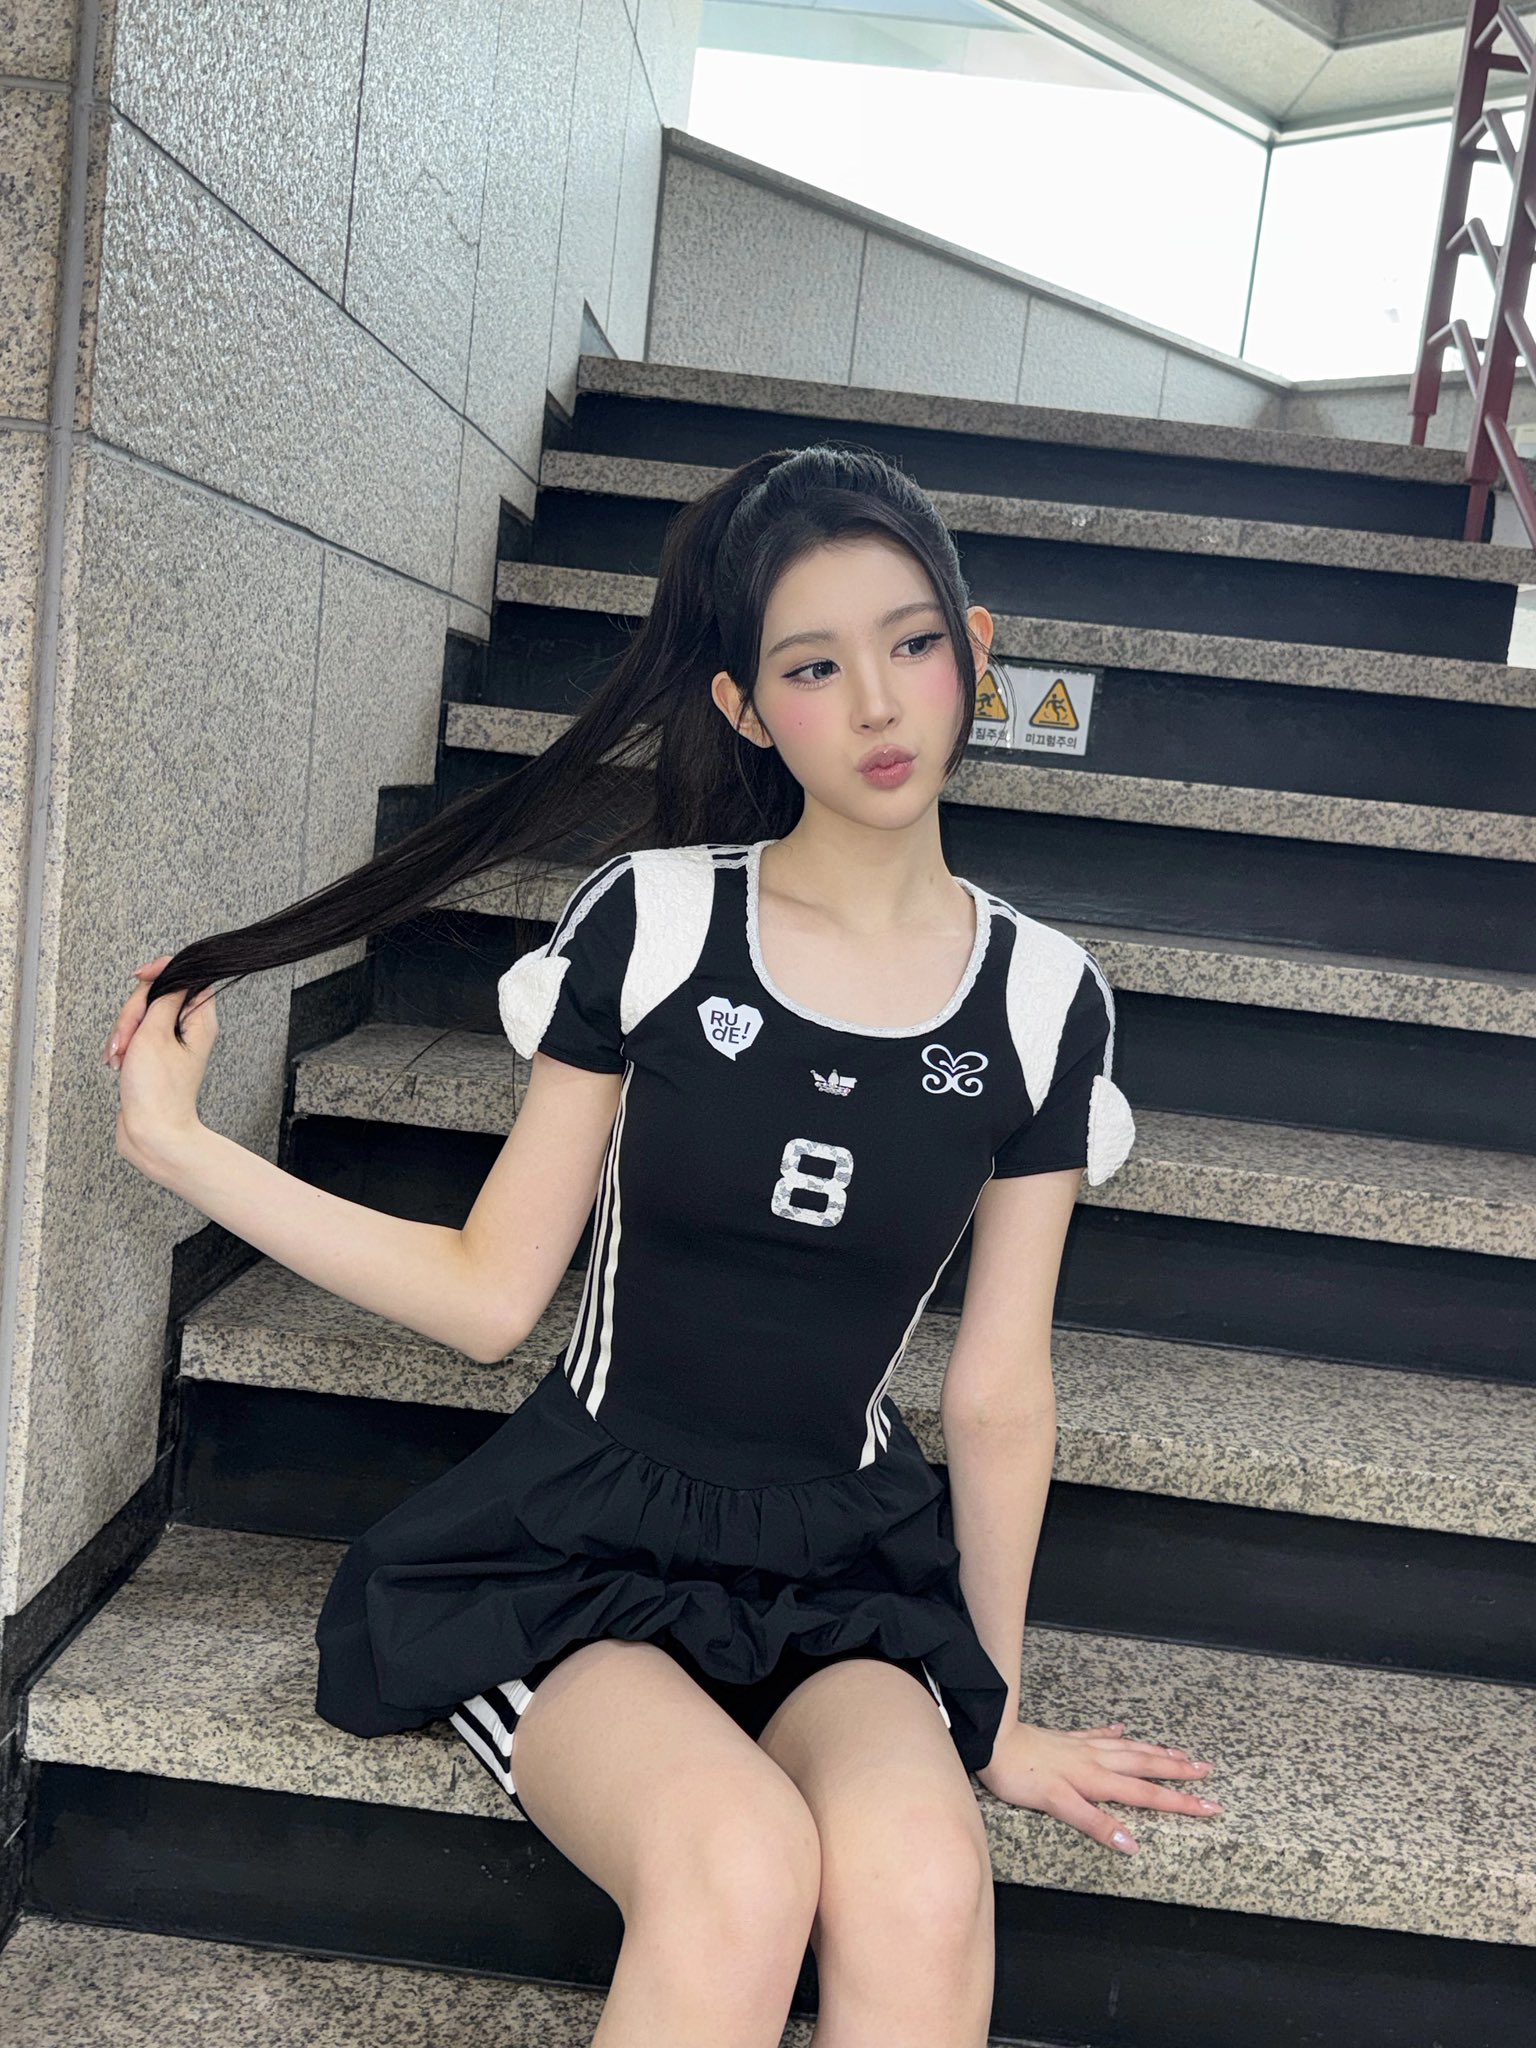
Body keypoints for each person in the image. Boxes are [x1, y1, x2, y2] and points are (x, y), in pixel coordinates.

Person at [104, 442, 1222, 2047]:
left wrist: (991, 1709)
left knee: (922, 1881)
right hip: (584, 1548)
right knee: (739, 1865)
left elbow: (998, 1393)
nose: (880, 702)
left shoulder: (1046, 999)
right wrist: (180, 1146)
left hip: (841, 1562)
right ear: (747, 710)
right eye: (814, 668)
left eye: (913, 643)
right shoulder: (662, 921)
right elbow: (492, 1293)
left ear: (974, 654)